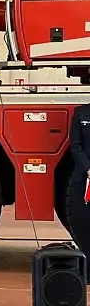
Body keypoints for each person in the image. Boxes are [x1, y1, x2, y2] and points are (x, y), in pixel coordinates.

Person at [67, 104, 90, 256]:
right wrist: (88, 168)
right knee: (84, 225)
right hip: (83, 179)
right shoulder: (81, 113)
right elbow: (75, 145)